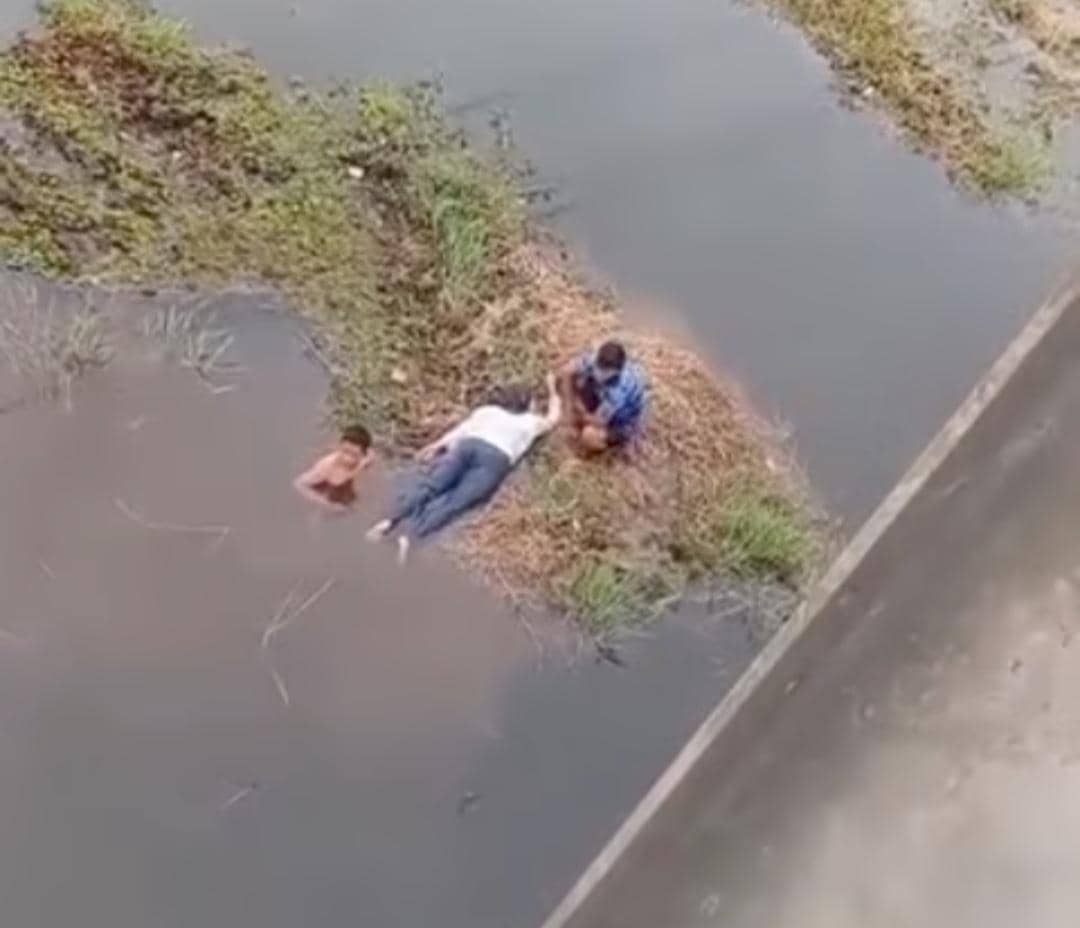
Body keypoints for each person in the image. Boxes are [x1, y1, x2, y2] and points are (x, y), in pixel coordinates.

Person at [367, 373, 562, 563]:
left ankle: (389, 520)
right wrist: (553, 390)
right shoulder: (530, 422)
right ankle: (411, 536)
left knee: (432, 486)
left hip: (468, 446)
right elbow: (553, 418)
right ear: (527, 405)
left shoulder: (487, 412)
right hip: (495, 460)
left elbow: (462, 430)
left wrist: (437, 445)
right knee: (455, 502)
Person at [562, 340, 647, 453]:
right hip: (601, 394)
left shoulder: (620, 390)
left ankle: (614, 444)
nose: (598, 372)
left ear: (616, 372)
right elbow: (566, 371)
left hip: (620, 422)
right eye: (598, 367)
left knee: (588, 436)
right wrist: (568, 409)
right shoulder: (596, 359)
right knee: (566, 378)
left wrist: (578, 411)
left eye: (605, 371)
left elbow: (599, 421)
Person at [293, 425, 374, 512]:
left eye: (354, 455)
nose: (347, 459)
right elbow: (299, 484)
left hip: (346, 493)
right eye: (345, 451)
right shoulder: (326, 466)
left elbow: (370, 454)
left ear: (362, 454)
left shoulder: (364, 460)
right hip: (328, 494)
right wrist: (327, 504)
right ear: (339, 447)